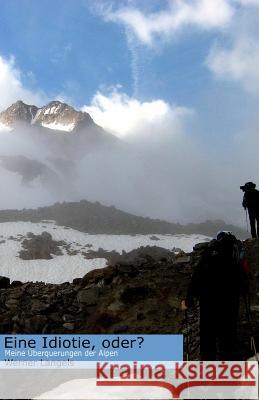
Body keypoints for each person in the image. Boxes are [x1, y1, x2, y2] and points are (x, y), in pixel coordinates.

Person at [181, 231, 249, 361]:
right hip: (230, 303)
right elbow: (242, 281)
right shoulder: (235, 255)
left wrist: (188, 300)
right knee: (228, 338)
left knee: (208, 337)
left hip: (208, 301)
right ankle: (229, 372)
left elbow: (197, 277)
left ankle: (208, 371)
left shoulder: (210, 252)